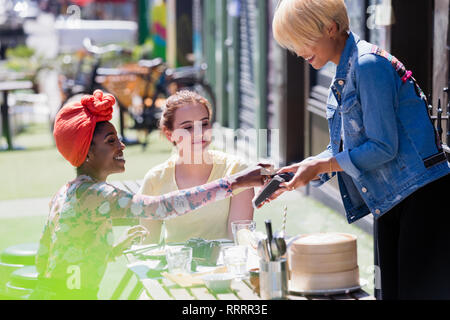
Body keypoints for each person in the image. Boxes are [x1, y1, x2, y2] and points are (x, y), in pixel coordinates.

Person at [265, 0, 450, 299]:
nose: (298, 52)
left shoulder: (368, 65)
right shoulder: (344, 73)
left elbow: (382, 147)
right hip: (392, 200)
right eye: (292, 46)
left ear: (330, 28)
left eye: (301, 41)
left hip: (420, 200)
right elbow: (347, 146)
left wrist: (322, 166)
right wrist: (308, 168)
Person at [31, 90, 270, 300]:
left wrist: (111, 250)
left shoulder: (66, 192)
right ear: (88, 153)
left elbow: (46, 257)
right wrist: (234, 182)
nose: (122, 146)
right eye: (111, 140)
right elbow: (162, 207)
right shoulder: (96, 195)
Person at [138, 90, 254, 243]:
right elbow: (147, 247)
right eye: (187, 127)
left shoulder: (237, 171)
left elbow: (238, 241)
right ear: (169, 134)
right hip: (177, 266)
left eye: (204, 123)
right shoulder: (155, 179)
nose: (199, 133)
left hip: (225, 265)